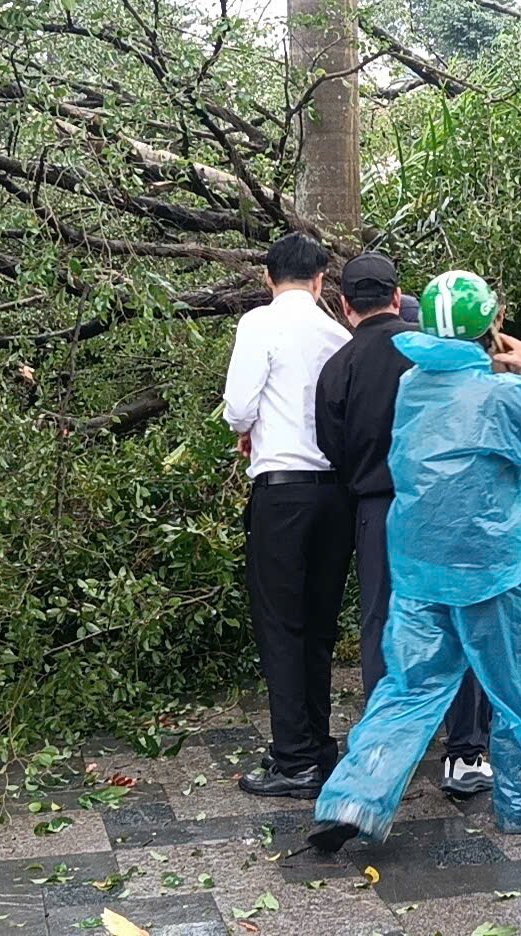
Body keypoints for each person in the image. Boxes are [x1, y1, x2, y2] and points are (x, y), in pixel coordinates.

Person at [309, 270, 521, 850]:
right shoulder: (503, 394)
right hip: (489, 568)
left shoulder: (415, 385)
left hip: (418, 563)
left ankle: (355, 797)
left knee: (406, 686)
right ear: (494, 324)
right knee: (512, 685)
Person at [313, 253, 493, 796]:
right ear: (398, 297)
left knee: (383, 627)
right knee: (458, 618)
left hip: (376, 510)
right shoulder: (435, 357)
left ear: (345, 306)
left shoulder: (337, 367)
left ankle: (389, 749)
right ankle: (465, 753)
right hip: (445, 506)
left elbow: (332, 449)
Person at [222, 233, 354, 800]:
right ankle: (317, 744)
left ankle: (292, 756)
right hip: (336, 494)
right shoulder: (337, 334)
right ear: (321, 279)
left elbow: (237, 409)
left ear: (268, 278)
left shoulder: (259, 324)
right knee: (320, 623)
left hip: (282, 492)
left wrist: (250, 431)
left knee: (280, 623)